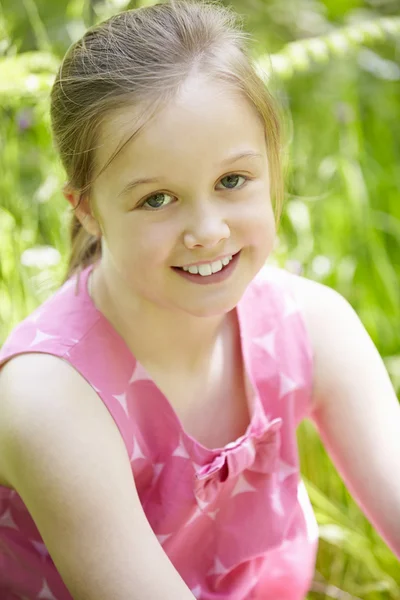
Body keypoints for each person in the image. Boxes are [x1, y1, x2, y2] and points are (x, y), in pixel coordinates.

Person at [0, 0, 399, 598]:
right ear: (87, 208)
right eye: (157, 199)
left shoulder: (310, 327)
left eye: (231, 181)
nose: (208, 230)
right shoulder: (50, 400)